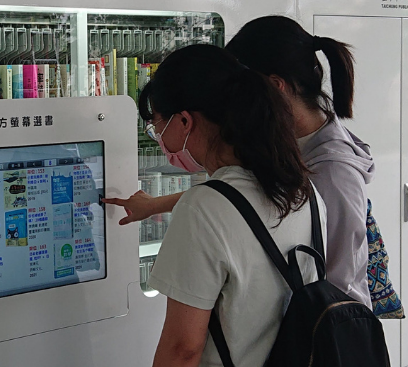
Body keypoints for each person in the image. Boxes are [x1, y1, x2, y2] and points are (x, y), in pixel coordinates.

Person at [105, 15, 374, 308]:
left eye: (243, 88)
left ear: (275, 86)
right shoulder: (285, 144)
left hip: (325, 338)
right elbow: (246, 192)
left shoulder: (332, 172)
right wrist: (155, 205)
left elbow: (339, 281)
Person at [117, 44, 327, 367]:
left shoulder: (202, 210)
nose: (158, 137)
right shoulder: (305, 192)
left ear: (185, 121)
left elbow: (182, 350)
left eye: (157, 125)